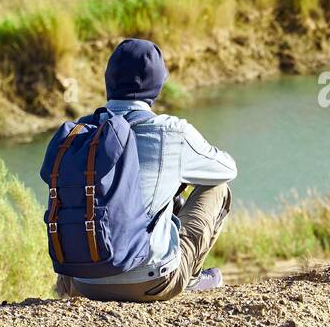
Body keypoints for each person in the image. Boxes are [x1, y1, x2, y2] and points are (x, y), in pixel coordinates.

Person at [57, 38, 235, 301]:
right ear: (158, 85)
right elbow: (226, 168)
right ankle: (192, 278)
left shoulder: (80, 134)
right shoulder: (171, 132)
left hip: (83, 284)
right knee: (219, 189)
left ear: (108, 82)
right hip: (152, 283)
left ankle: (65, 286)